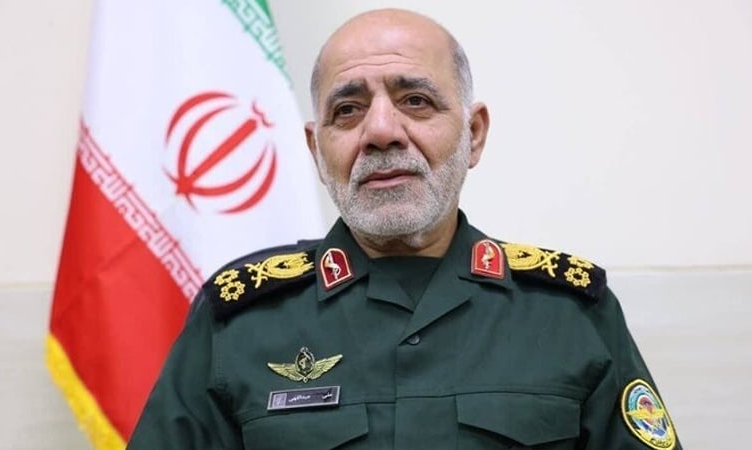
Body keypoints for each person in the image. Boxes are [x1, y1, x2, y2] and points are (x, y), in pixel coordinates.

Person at [127, 8, 681, 450]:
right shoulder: (239, 322)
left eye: (415, 101)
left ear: (474, 134)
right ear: (316, 151)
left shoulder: (569, 314)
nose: (381, 131)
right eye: (348, 110)